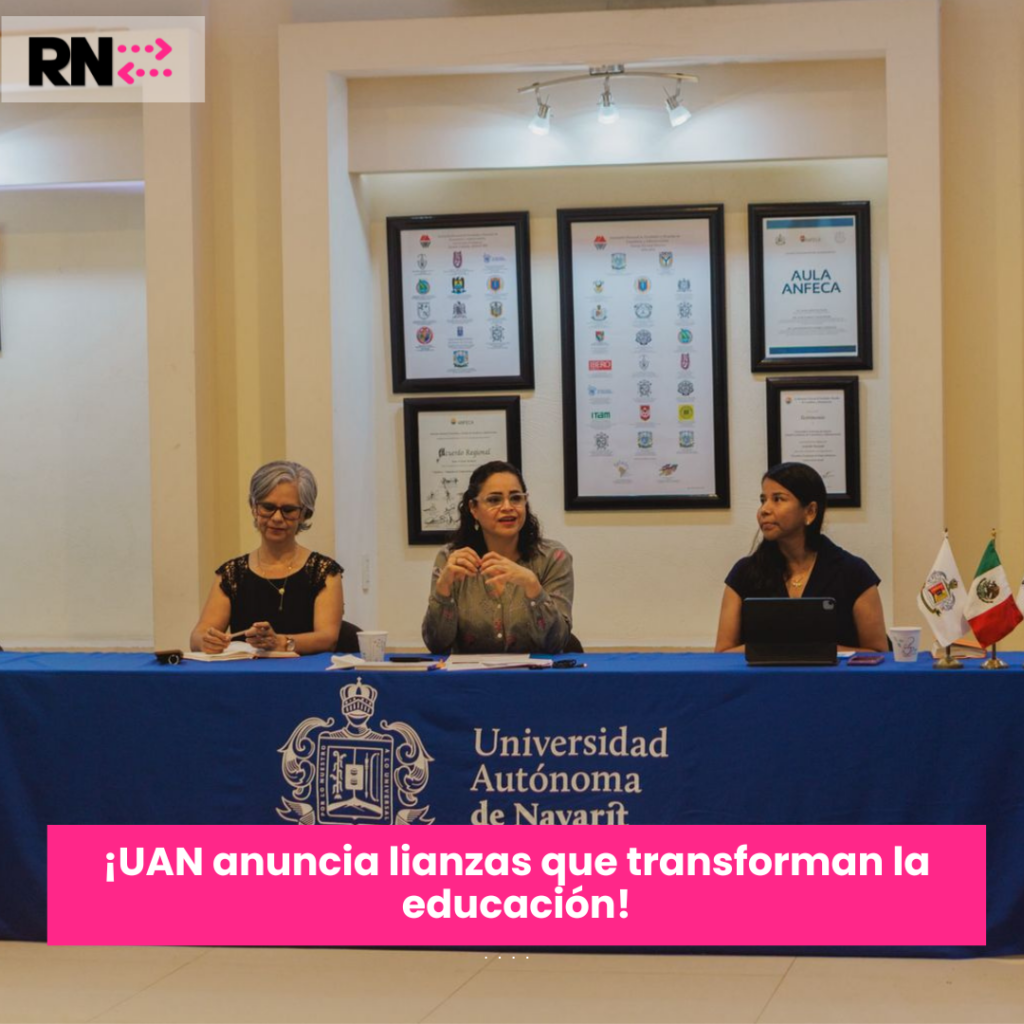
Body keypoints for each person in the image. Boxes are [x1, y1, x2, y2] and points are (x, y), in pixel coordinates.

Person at [715, 462, 886, 652]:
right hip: (764, 673)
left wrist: (816, 651)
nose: (764, 509)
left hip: (834, 673)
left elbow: (879, 654)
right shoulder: (744, 572)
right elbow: (722, 653)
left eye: (778, 499)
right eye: (763, 500)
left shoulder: (853, 572)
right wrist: (780, 650)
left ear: (810, 511)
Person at [190, 460, 344, 655]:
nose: (277, 518)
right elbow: (197, 636)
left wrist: (281, 642)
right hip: (245, 672)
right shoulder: (232, 573)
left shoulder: (324, 572)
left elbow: (328, 638)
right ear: (254, 508)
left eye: (288, 510)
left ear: (304, 514)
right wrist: (206, 641)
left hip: (306, 672)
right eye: (268, 507)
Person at [422, 461, 574, 654]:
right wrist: (442, 589)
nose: (507, 507)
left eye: (516, 498)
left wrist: (533, 587)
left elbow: (557, 642)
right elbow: (436, 644)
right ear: (473, 508)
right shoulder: (451, 559)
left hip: (536, 672)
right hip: (470, 673)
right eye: (494, 500)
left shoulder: (553, 557)